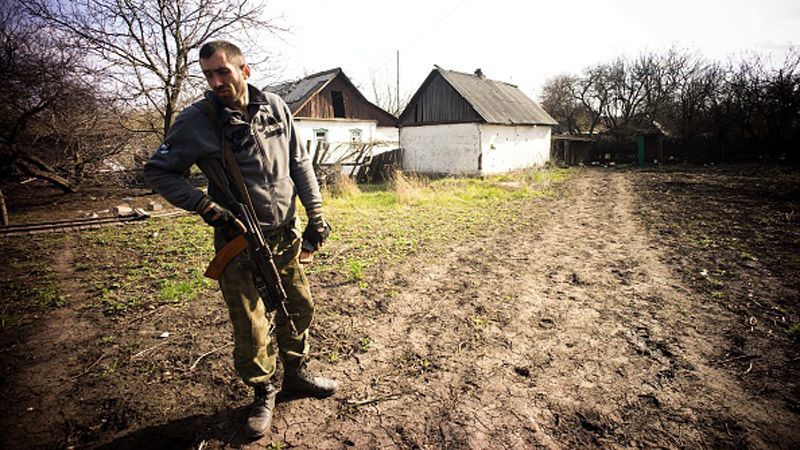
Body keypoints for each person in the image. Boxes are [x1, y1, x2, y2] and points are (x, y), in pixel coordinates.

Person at [143, 40, 337, 438]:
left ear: (244, 70)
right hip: (238, 239)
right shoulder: (196, 120)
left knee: (296, 305)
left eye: (222, 72)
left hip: (284, 234)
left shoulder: (277, 108)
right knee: (251, 323)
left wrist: (315, 213)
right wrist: (202, 205)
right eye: (208, 75)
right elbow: (159, 171)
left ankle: (296, 374)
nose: (215, 81)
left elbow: (300, 162)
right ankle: (262, 392)